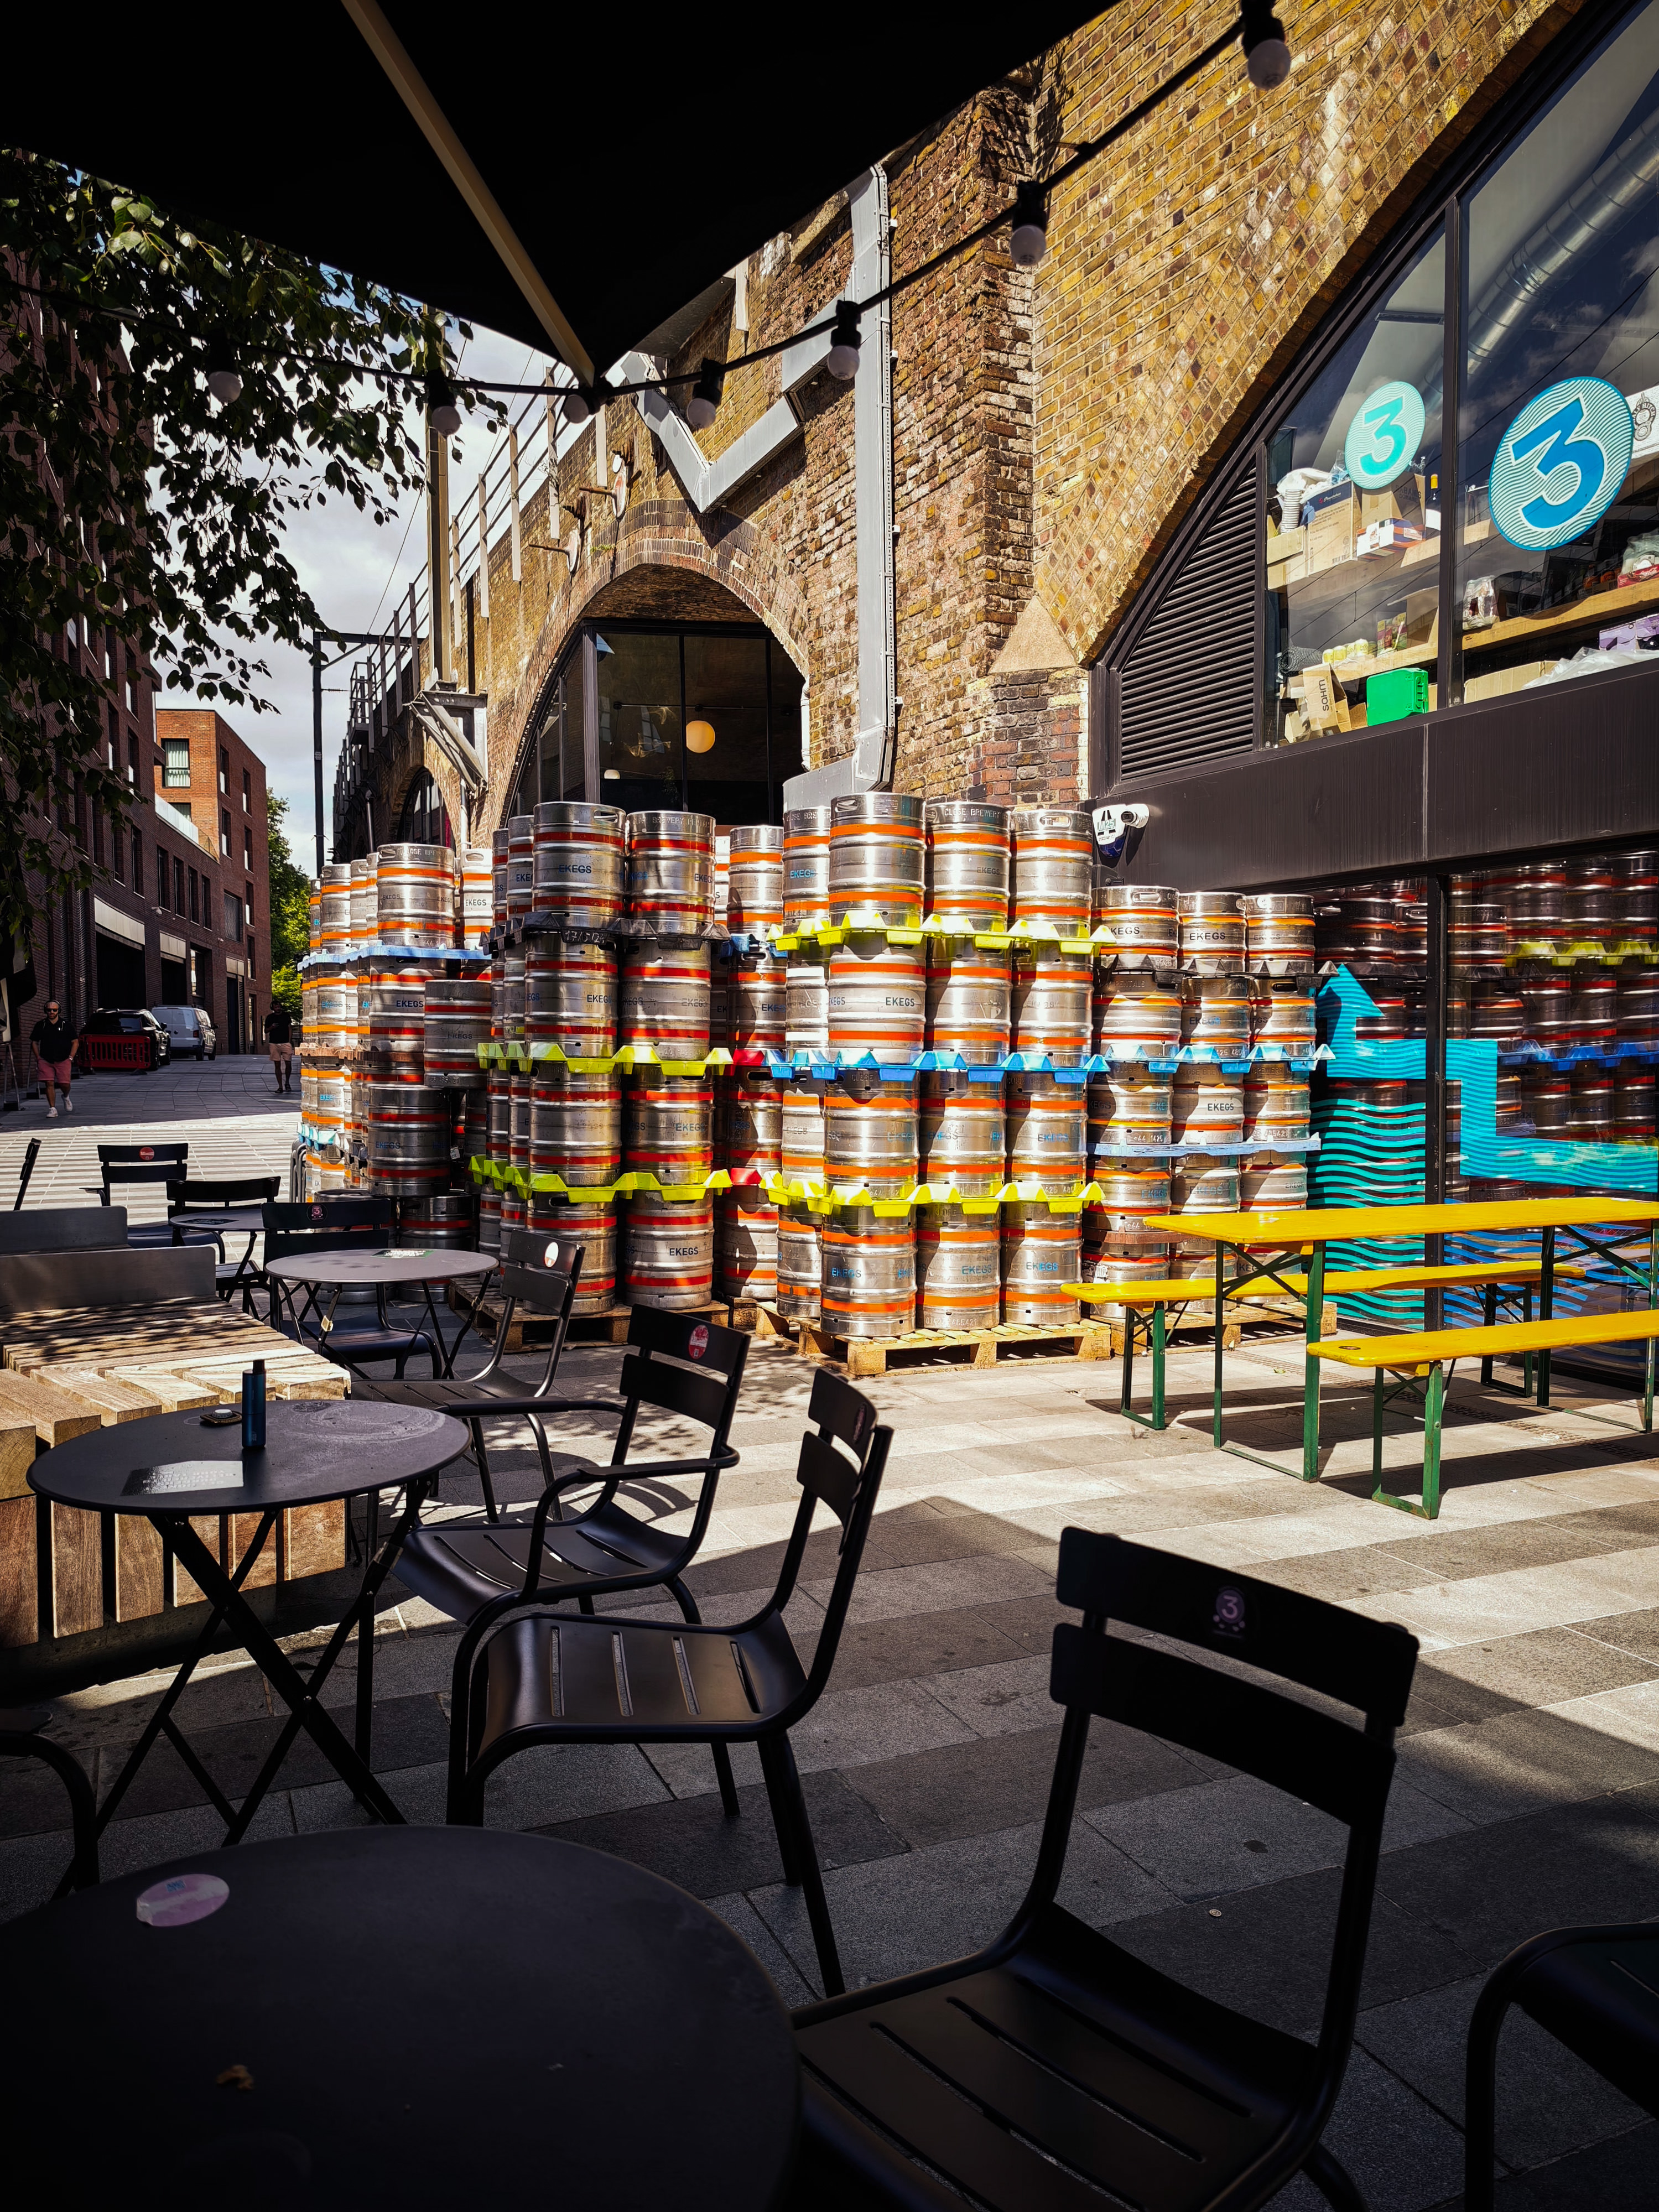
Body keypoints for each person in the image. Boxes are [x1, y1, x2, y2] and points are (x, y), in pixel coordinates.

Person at [29, 1001, 77, 1117]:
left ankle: (66, 1096)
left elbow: (75, 1042)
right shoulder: (41, 1025)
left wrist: (71, 1057)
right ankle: (53, 1109)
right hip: (46, 1059)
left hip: (64, 1059)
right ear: (45, 1011)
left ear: (59, 1011)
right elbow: (34, 1042)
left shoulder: (67, 1025)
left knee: (64, 1084)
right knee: (49, 1083)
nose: (51, 1012)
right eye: (49, 1010)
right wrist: (38, 1057)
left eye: (54, 1010)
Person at [264, 1003, 294, 1094]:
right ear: (273, 1008)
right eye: (276, 1007)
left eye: (279, 1007)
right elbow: (266, 1031)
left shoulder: (286, 1016)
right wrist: (272, 1027)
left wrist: (289, 1041)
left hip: (285, 1042)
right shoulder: (270, 1017)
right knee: (277, 1065)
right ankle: (280, 1086)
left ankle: (287, 1082)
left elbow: (290, 1028)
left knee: (288, 1063)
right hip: (274, 1043)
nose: (278, 1008)